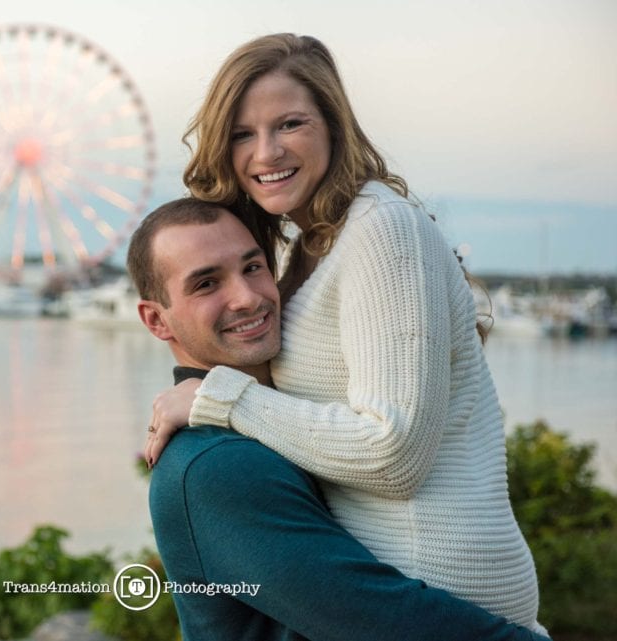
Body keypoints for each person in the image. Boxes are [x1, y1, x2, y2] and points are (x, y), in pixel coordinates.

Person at [145, 34, 545, 634]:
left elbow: (394, 454)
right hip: (396, 584)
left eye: (290, 124)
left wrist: (219, 398)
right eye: (242, 134)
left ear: (334, 124)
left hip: (439, 586)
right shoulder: (307, 247)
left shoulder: (381, 227)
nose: (266, 152)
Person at [129, 198, 550, 641]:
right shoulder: (216, 466)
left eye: (253, 267)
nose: (248, 298)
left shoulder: (285, 424)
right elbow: (388, 623)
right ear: (156, 320)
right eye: (206, 284)